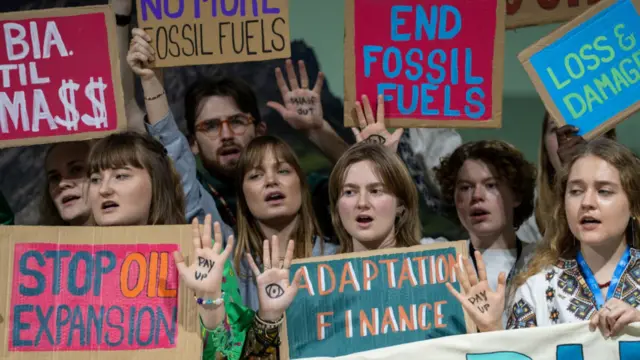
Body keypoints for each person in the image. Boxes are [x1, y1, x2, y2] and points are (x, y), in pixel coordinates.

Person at [86, 131, 298, 359]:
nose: (104, 189)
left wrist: (211, 305)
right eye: (95, 179)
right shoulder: (69, 268)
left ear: (157, 183)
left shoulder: (199, 257)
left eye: (120, 176)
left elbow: (233, 355)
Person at [451, 138, 640, 337]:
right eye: (576, 191)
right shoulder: (535, 289)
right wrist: (492, 328)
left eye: (604, 191)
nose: (587, 202)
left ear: (634, 204)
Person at [233, 135, 338, 310]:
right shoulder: (233, 268)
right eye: (256, 175)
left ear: (302, 186)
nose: (271, 181)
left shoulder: (338, 259)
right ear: (243, 197)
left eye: (282, 171)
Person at [329, 142, 421, 252]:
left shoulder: (433, 263)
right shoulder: (318, 268)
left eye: (375, 191)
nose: (362, 203)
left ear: (401, 205)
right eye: (349, 192)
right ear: (337, 207)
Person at [535, 112, 617, 235]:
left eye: (586, 125)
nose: (571, 139)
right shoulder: (527, 212)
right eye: (556, 129)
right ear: (544, 145)